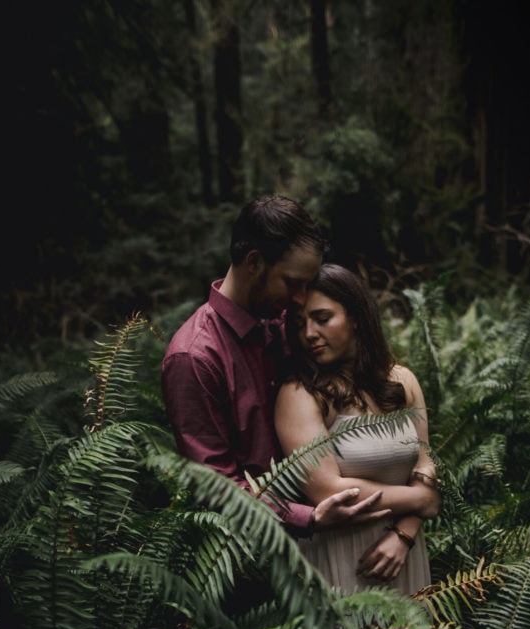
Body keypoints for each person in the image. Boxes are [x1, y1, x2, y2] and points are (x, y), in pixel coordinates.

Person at [274, 263, 447, 629]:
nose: (309, 333)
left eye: (322, 317)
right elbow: (330, 491)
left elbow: (428, 464)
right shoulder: (298, 395)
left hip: (403, 561)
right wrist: (419, 498)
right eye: (301, 322)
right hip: (339, 565)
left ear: (357, 316)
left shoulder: (401, 382)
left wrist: (405, 532)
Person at [161, 194, 392, 538]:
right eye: (293, 282)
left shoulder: (293, 324)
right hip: (252, 557)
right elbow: (216, 486)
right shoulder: (194, 358)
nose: (301, 298)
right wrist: (307, 518)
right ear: (253, 262)